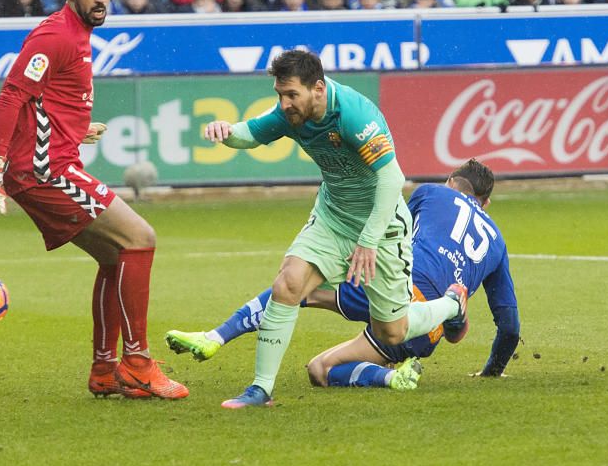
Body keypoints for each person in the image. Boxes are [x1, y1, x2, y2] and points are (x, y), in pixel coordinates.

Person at [0, 0, 188, 400]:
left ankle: (106, 370)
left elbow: (42, 101)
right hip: (44, 171)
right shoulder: (57, 35)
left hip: (47, 163)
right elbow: (12, 95)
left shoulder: (79, 33)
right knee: (140, 238)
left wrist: (73, 128)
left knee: (114, 256)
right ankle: (139, 363)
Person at [194, 50, 468, 407]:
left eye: (291, 94)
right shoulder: (290, 114)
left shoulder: (354, 114)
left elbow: (391, 178)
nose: (284, 103)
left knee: (393, 330)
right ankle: (261, 389)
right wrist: (227, 132)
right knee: (288, 283)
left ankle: (450, 305)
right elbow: (252, 134)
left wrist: (368, 241)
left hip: (380, 227)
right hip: (332, 218)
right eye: (280, 94)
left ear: (318, 89)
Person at [166, 160, 521, 390]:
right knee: (321, 369)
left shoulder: (430, 192)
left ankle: (217, 335)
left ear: (449, 180)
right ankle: (391, 374)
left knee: (297, 290)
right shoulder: (498, 242)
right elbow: (509, 325)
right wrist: (492, 370)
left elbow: (390, 230)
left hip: (395, 289)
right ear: (486, 203)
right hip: (427, 331)